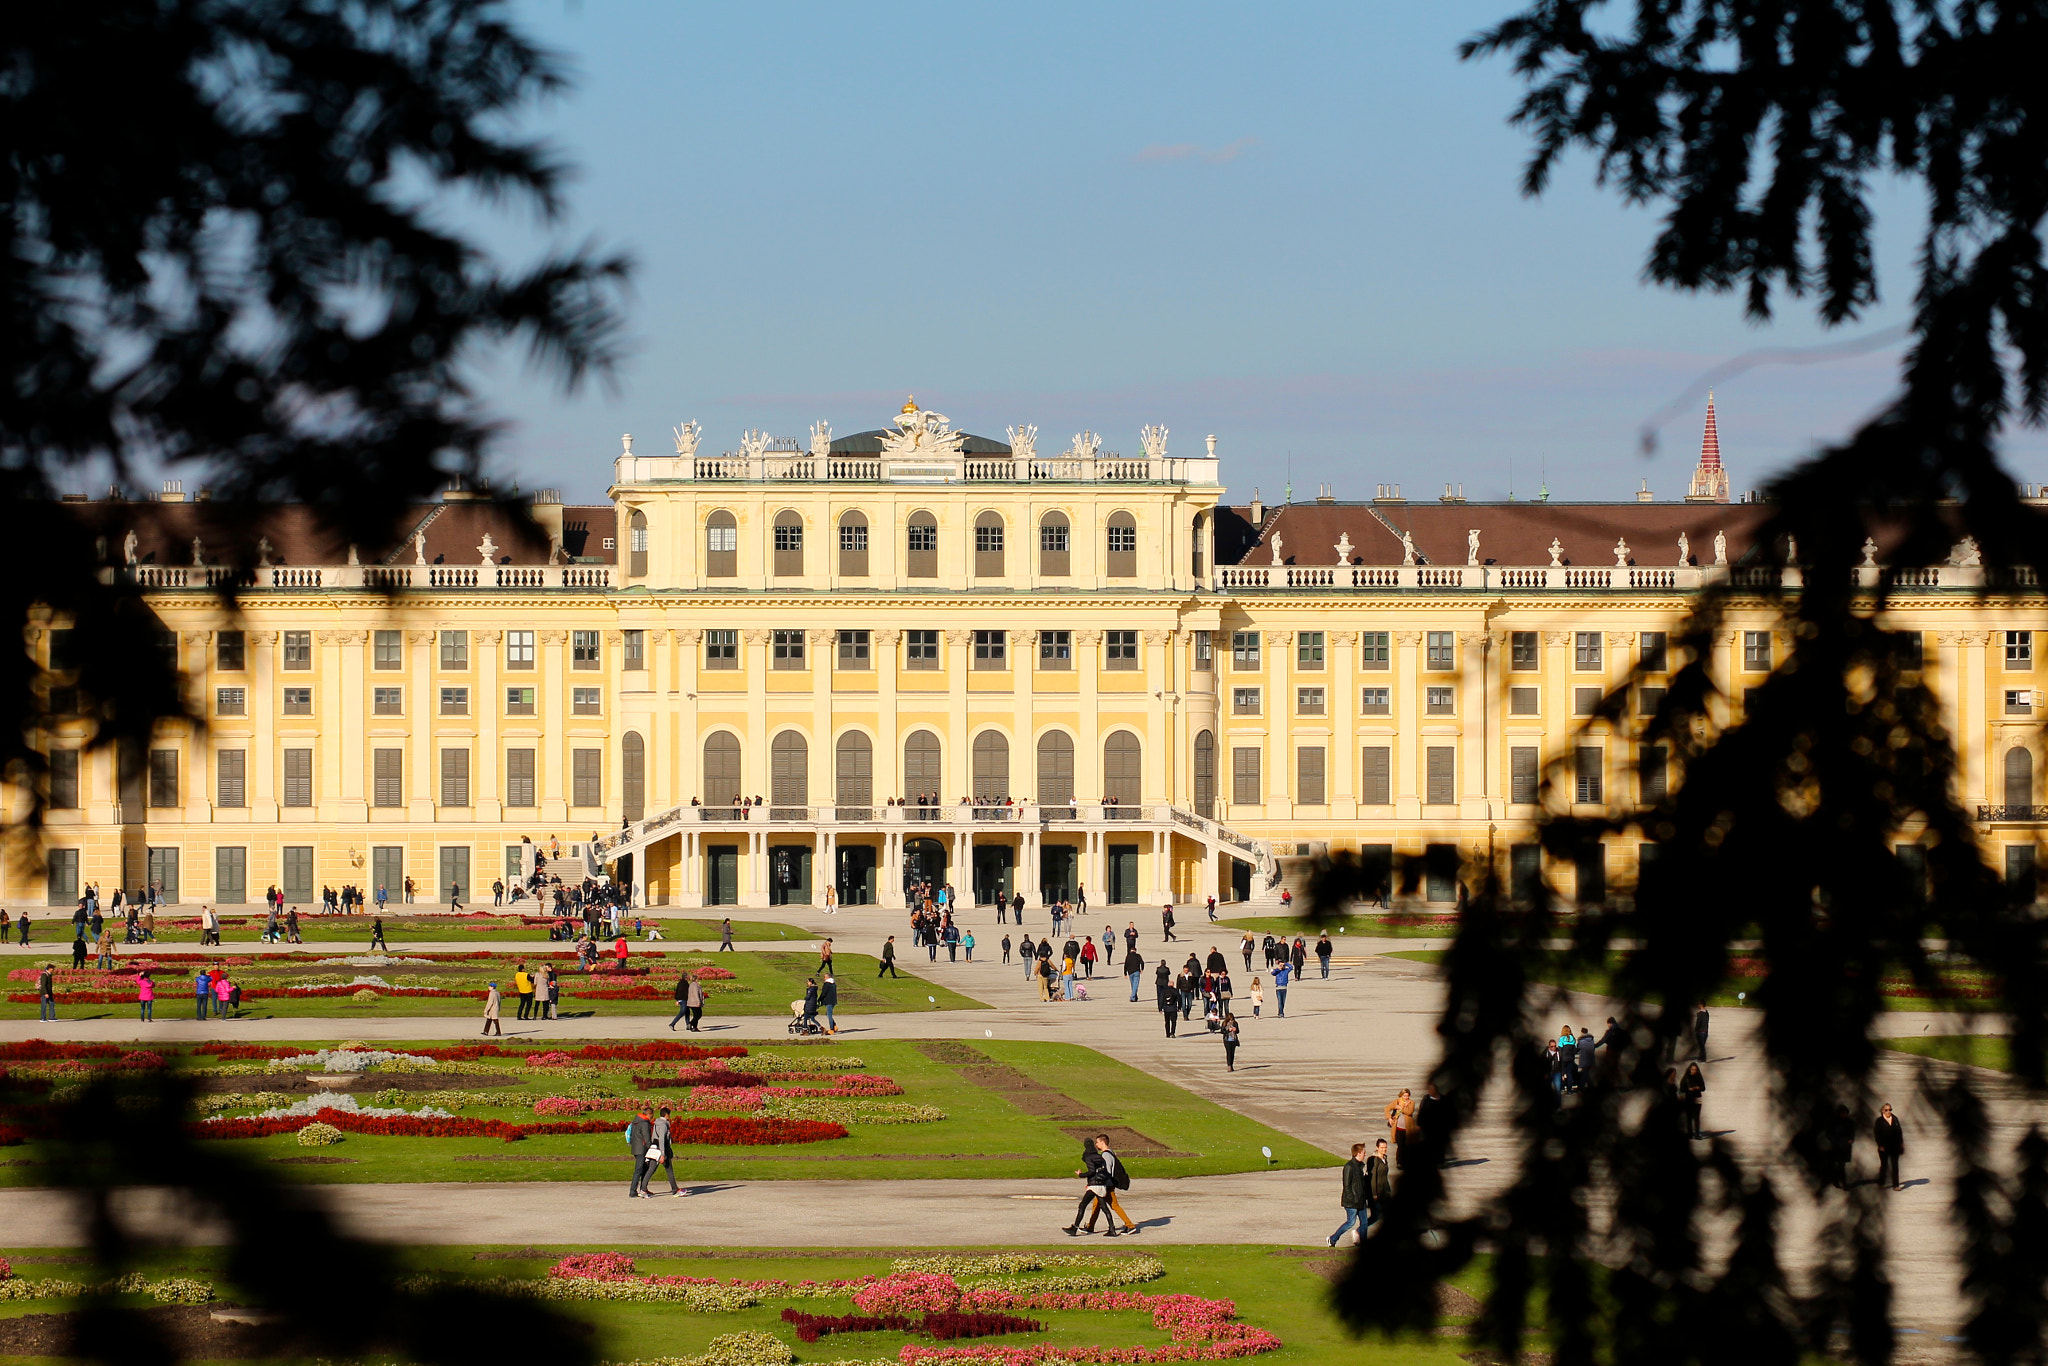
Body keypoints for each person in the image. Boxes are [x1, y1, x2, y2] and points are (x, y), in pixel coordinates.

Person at [1088, 1134, 1138, 1236]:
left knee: (1114, 1205)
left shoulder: (1106, 1155)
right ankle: (1090, 1226)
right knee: (1096, 1205)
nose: (1096, 1144)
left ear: (1102, 1142)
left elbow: (1107, 1172)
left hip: (1106, 1185)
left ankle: (1130, 1225)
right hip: (1106, 1185)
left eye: (1097, 1142)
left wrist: (1100, 1183)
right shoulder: (1110, 1153)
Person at [1065, 1136, 1111, 1237]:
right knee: (1104, 1207)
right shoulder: (1100, 1157)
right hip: (1101, 1185)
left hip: (1094, 1186)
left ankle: (1075, 1228)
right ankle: (1112, 1228)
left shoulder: (1089, 1157)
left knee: (1082, 1205)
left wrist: (1081, 1175)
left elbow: (1092, 1171)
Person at [1330, 1143, 1369, 1246]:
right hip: (1352, 1202)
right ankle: (1333, 1239)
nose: (1365, 1154)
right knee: (1350, 1223)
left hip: (1361, 1200)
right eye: (1364, 1152)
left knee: (1364, 1223)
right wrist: (1353, 1199)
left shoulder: (1360, 1167)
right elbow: (1346, 1186)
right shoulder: (1349, 1166)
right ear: (1358, 1153)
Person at [650, 1105, 682, 1196]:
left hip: (656, 1149)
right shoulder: (664, 1124)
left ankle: (643, 1188)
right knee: (669, 1169)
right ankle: (675, 1189)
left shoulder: (657, 1123)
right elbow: (662, 1139)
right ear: (666, 1115)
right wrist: (663, 1153)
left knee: (651, 1169)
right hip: (662, 1149)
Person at [626, 1108, 657, 1198]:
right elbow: (646, 1137)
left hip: (636, 1148)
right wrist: (650, 1147)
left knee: (642, 1169)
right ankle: (634, 1190)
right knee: (640, 1169)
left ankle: (643, 1189)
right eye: (652, 1115)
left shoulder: (636, 1121)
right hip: (642, 1149)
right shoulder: (644, 1123)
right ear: (649, 1114)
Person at [1365, 1137, 1394, 1229]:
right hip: (1377, 1192)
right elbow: (1373, 1177)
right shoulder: (1374, 1160)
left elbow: (1384, 1177)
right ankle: (1359, 1230)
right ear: (1377, 1148)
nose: (1384, 1149)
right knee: (1375, 1216)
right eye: (1381, 1147)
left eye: (1385, 1147)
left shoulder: (1384, 1159)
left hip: (1385, 1192)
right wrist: (1374, 1194)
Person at [1875, 1102, 1904, 1190]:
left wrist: (1901, 1144)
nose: (1888, 1112)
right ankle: (1881, 1182)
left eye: (1890, 1110)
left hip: (1895, 1147)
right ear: (1883, 1111)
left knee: (1895, 1166)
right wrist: (1880, 1145)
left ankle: (1896, 1185)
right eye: (1886, 1110)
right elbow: (1877, 1134)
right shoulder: (1879, 1121)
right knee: (1884, 1165)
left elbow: (1899, 1132)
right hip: (1884, 1147)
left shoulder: (1895, 1119)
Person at [1826, 1103, 1856, 1190]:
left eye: (1846, 1113)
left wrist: (1851, 1139)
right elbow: (1829, 1133)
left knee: (1841, 1165)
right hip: (1837, 1147)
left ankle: (1840, 1182)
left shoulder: (1850, 1122)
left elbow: (1852, 1132)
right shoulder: (1834, 1122)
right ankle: (1840, 1182)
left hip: (1845, 1147)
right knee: (1838, 1165)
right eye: (1843, 1113)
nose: (1845, 1115)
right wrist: (1834, 1140)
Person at [1385, 1088, 1414, 1168]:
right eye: (1404, 1096)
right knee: (1400, 1146)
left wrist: (1401, 1108)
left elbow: (1409, 1112)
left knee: (1407, 1146)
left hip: (1408, 1129)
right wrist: (1389, 1118)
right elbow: (1387, 1108)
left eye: (1407, 1096)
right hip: (1398, 1128)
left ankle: (1407, 1161)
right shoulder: (1397, 1101)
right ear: (1401, 1095)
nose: (1406, 1098)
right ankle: (1399, 1162)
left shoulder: (1411, 1103)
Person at [1680, 1062, 1706, 1139]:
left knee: (1696, 1116)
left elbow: (1703, 1088)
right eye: (1692, 1069)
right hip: (1689, 1098)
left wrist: (1698, 1088)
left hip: (1697, 1098)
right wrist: (1689, 1089)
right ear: (1689, 1069)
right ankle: (1690, 1133)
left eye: (1695, 1070)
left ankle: (1697, 1133)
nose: (1693, 1071)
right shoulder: (1686, 1077)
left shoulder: (1699, 1077)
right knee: (1689, 1116)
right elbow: (1681, 1088)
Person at [1157, 963, 1178, 1037]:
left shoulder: (1164, 991)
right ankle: (1172, 1033)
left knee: (1167, 1021)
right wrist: (1179, 1007)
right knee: (1174, 1021)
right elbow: (1179, 999)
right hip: (1173, 1008)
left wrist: (1160, 1008)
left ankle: (1167, 1033)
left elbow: (1161, 999)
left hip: (1166, 1008)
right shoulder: (1175, 991)